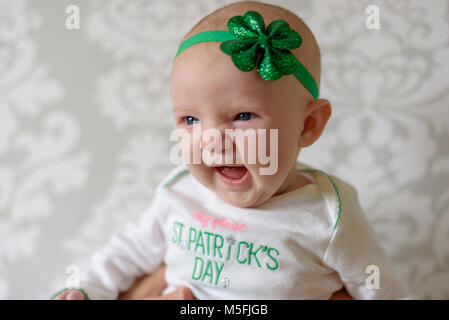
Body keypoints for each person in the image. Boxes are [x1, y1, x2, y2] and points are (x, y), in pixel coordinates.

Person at [52, 1, 412, 300]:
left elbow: (380, 289)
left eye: (242, 116)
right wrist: (84, 288)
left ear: (308, 125)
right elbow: (128, 251)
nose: (212, 140)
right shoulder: (179, 192)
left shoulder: (328, 213)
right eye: (190, 119)